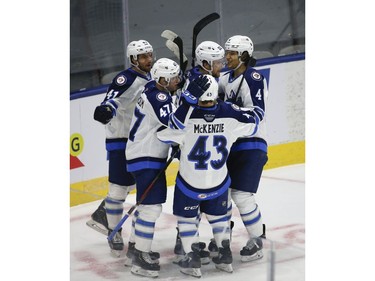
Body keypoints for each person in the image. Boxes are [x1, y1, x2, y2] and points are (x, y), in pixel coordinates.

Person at [157, 74, 262, 277]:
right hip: (218, 183)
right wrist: (238, 109)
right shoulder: (230, 114)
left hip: (190, 184)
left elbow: (162, 134)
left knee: (187, 220)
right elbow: (254, 124)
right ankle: (224, 255)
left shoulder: (186, 118)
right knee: (220, 218)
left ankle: (192, 258)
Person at [86, 40, 154, 256]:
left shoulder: (148, 76)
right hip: (120, 140)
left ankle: (103, 214)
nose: (148, 59)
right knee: (118, 189)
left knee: (127, 186)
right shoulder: (126, 78)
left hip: (136, 140)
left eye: (150, 55)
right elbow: (112, 99)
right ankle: (113, 231)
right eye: (143, 57)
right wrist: (106, 109)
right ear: (133, 59)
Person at [124, 58, 181, 278]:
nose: (178, 80)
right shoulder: (159, 96)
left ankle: (134, 248)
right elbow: (174, 124)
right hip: (146, 156)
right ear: (163, 80)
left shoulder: (152, 88)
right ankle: (141, 256)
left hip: (142, 154)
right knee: (151, 207)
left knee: (145, 206)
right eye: (174, 77)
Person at [172, 40, 226, 264]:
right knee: (197, 198)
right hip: (193, 142)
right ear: (205, 63)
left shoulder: (201, 77)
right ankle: (188, 244)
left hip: (196, 142)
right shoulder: (199, 81)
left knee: (196, 198)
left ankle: (188, 243)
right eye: (216, 62)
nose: (221, 66)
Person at [216, 35, 268, 262]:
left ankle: (256, 240)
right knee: (223, 194)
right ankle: (223, 241)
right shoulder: (226, 78)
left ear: (244, 55)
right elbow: (208, 89)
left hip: (251, 143)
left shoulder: (253, 78)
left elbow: (257, 113)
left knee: (241, 194)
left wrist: (229, 109)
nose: (227, 57)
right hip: (230, 145)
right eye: (226, 52)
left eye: (232, 53)